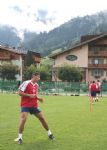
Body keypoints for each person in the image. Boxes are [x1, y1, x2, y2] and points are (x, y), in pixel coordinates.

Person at [14, 72, 55, 144]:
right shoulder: (26, 83)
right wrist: (29, 95)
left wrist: (39, 98)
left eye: (39, 77)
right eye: (38, 77)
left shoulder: (36, 85)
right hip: (25, 105)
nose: (39, 78)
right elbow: (19, 92)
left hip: (34, 105)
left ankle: (50, 134)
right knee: (23, 119)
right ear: (34, 76)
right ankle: (20, 138)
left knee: (42, 118)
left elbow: (35, 95)